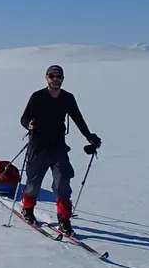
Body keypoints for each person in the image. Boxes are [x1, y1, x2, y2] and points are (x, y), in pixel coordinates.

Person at [19, 64, 101, 236]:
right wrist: (29, 125)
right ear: (46, 77)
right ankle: (27, 209)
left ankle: (64, 219)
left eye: (58, 76)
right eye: (52, 76)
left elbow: (78, 119)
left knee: (62, 182)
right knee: (33, 184)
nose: (55, 79)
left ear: (63, 79)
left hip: (58, 147)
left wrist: (89, 136)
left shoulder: (67, 98)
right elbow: (24, 118)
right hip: (38, 147)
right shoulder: (37, 97)